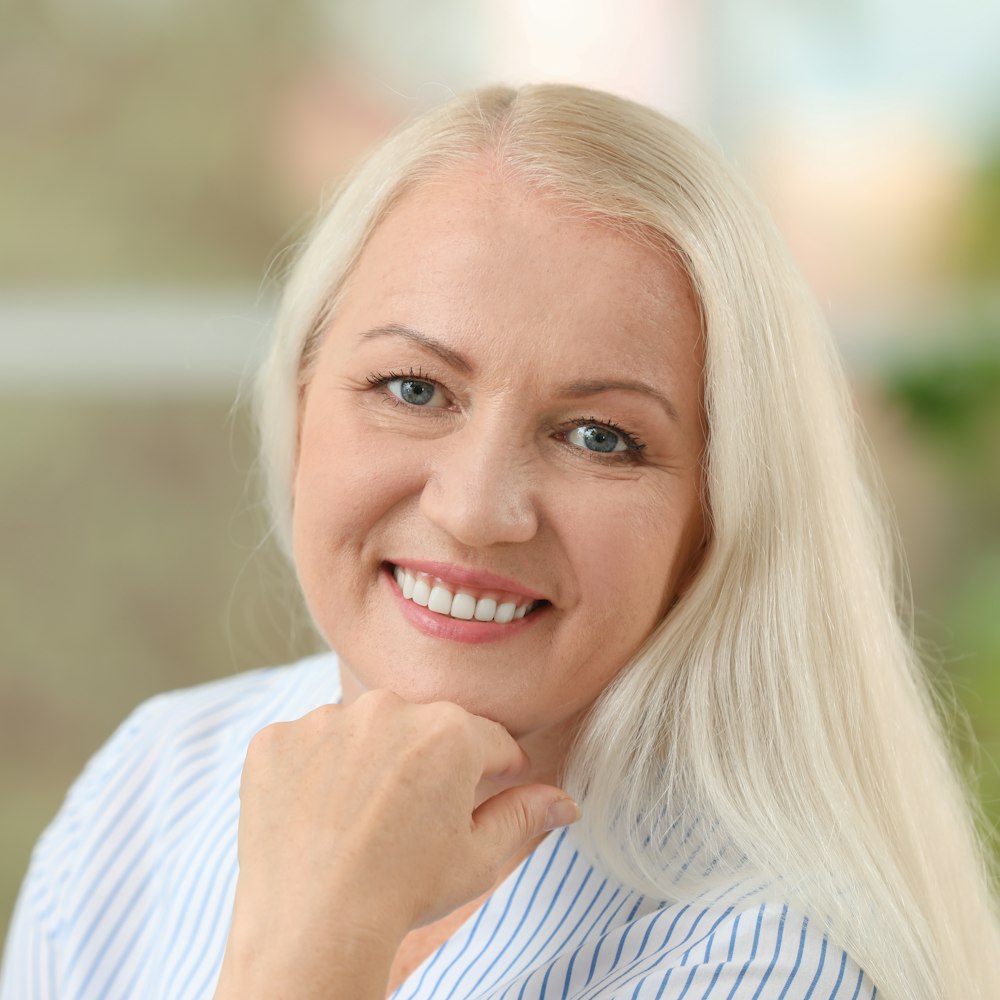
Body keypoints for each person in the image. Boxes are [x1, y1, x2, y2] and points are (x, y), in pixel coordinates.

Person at [2, 83, 998, 1000]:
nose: (477, 507)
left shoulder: (768, 961)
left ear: (714, 512)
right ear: (303, 399)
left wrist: (319, 939)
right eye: (413, 388)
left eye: (601, 436)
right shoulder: (156, 774)